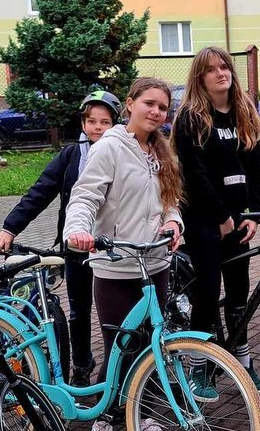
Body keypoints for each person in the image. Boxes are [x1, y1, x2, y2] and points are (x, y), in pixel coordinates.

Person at [0, 90, 121, 387]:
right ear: (83, 123)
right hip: (76, 247)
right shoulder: (71, 156)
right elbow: (40, 192)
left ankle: (119, 373)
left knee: (113, 313)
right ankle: (82, 364)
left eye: (105, 122)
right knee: (78, 310)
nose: (98, 128)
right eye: (91, 121)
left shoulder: (123, 153)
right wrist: (10, 229)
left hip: (112, 249)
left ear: (116, 124)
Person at [62, 78, 184, 386]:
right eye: (149, 104)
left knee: (149, 346)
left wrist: (173, 222)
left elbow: (169, 200)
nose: (156, 112)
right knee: (121, 349)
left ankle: (142, 412)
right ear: (130, 104)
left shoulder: (161, 150)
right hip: (116, 267)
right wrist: (77, 229)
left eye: (163, 108)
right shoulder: (109, 147)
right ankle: (106, 415)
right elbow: (86, 196)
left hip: (155, 264)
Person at [171, 46, 260, 401]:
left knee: (240, 290)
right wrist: (221, 216)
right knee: (208, 291)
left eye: (224, 66)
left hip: (239, 220)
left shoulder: (245, 113)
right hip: (204, 219)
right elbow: (194, 175)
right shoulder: (191, 118)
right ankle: (200, 365)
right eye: (211, 69)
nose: (220, 73)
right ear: (201, 77)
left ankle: (241, 359)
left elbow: (255, 168)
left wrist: (253, 213)